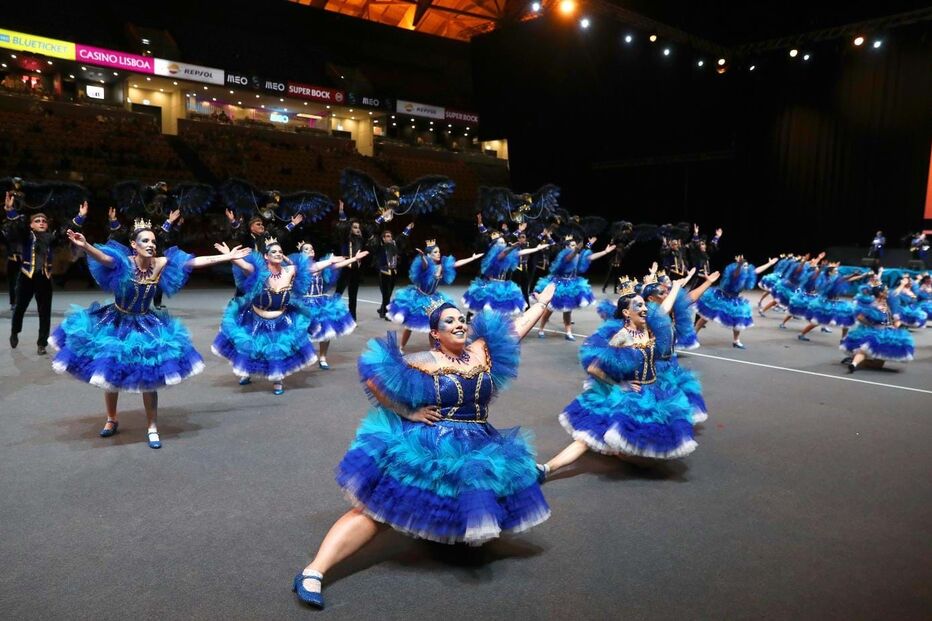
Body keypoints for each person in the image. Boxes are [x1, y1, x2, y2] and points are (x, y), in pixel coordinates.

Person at [292, 284, 558, 609]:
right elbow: (375, 378)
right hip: (431, 446)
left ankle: (447, 542)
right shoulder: (422, 361)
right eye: (449, 321)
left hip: (479, 443)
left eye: (462, 319)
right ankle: (314, 571)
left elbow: (518, 327)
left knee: (473, 499)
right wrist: (409, 412)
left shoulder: (480, 352)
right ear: (435, 333)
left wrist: (542, 301)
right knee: (378, 511)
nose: (459, 324)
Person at [50, 221, 248, 448]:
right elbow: (104, 259)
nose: (151, 244)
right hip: (116, 321)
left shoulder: (160, 263)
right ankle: (111, 419)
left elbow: (193, 262)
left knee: (150, 375)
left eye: (154, 241)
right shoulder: (124, 262)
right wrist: (85, 246)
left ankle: (152, 426)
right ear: (134, 245)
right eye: (145, 240)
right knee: (109, 371)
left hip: (145, 322)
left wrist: (227, 257)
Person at [539, 273, 699, 479]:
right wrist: (616, 385)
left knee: (649, 461)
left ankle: (619, 452)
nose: (644, 309)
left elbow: (664, 308)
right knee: (587, 437)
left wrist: (676, 287)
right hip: (629, 393)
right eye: (638, 306)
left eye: (644, 305)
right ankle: (547, 468)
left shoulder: (650, 328)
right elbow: (594, 369)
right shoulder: (621, 336)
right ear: (626, 312)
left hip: (654, 391)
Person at [211, 238, 318, 395]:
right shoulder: (259, 272)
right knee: (250, 347)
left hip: (281, 319)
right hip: (255, 318)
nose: (278, 254)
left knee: (277, 350)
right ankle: (246, 372)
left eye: (280, 252)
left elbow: (314, 266)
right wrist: (229, 255)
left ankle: (277, 380)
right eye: (274, 252)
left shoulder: (289, 271)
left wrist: (350, 260)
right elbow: (243, 265)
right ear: (266, 256)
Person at [4, 192, 86, 354]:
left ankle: (41, 344)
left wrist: (80, 217)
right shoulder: (26, 235)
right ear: (31, 225)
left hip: (44, 278)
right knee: (20, 308)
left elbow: (66, 232)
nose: (41, 223)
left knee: (45, 312)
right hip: (26, 277)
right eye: (37, 221)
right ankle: (15, 331)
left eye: (43, 221)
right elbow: (17, 226)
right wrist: (9, 209)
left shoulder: (51, 239)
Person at [387, 239, 482, 352]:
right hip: (418, 297)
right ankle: (401, 347)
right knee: (409, 326)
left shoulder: (441, 266)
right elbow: (425, 264)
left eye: (439, 251)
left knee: (432, 325)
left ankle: (433, 347)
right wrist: (422, 257)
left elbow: (456, 264)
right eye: (435, 252)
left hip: (433, 298)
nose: (439, 254)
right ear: (429, 255)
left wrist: (472, 258)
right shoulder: (426, 266)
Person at [297, 241, 369, 369]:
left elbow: (338, 265)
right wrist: (330, 261)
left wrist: (354, 258)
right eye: (306, 249)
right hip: (305, 303)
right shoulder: (300, 267)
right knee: (301, 332)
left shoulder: (321, 265)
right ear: (301, 254)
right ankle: (303, 355)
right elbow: (319, 266)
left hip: (320, 302)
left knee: (326, 330)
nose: (310, 250)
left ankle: (323, 357)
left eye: (311, 248)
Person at [533, 235, 616, 340]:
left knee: (568, 310)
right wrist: (577, 249)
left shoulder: (578, 256)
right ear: (567, 247)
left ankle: (568, 332)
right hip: (559, 284)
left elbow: (590, 257)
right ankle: (541, 329)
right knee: (550, 309)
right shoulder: (565, 257)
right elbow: (570, 257)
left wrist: (605, 252)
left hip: (571, 284)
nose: (574, 247)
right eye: (572, 245)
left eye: (575, 245)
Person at [694, 255, 778, 348]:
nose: (745, 268)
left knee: (739, 317)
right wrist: (739, 265)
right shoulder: (735, 273)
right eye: (743, 266)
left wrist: (769, 264)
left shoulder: (747, 274)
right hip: (720, 297)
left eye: (746, 266)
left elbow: (757, 270)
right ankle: (694, 334)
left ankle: (736, 341)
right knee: (707, 316)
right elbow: (736, 274)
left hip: (734, 299)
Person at [463, 230, 549, 316]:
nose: (502, 244)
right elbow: (504, 253)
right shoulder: (496, 256)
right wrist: (513, 247)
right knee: (485, 306)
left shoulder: (508, 256)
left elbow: (521, 252)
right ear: (495, 245)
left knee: (498, 310)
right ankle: (470, 315)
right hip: (492, 285)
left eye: (503, 242)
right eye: (500, 243)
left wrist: (536, 249)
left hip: (502, 285)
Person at [841, 282, 914, 372]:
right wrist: (869, 324)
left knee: (877, 364)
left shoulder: (886, 303)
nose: (888, 292)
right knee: (865, 349)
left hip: (885, 330)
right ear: (880, 293)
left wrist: (894, 325)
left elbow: (889, 316)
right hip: (875, 331)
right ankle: (854, 364)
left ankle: (854, 362)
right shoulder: (872, 304)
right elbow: (859, 317)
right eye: (885, 291)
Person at [367, 219, 413, 321]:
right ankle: (387, 314)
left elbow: (403, 236)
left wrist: (408, 227)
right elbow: (371, 232)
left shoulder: (394, 244)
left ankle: (382, 309)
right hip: (383, 272)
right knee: (386, 294)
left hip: (393, 272)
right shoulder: (379, 245)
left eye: (390, 236)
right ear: (383, 238)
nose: (389, 238)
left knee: (389, 293)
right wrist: (380, 219)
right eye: (387, 236)